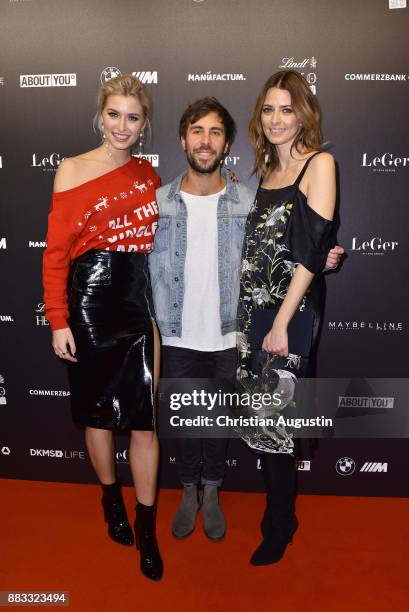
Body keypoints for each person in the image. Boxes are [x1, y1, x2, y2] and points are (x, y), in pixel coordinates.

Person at [149, 96, 342, 543]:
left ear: (227, 143)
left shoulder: (247, 198)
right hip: (177, 333)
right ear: (183, 139)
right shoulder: (159, 202)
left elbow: (287, 241)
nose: (205, 140)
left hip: (229, 333)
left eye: (215, 132)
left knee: (216, 420)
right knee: (185, 420)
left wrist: (325, 257)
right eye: (197, 130)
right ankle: (188, 492)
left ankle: (212, 493)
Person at [43, 74, 163, 581]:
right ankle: (111, 500)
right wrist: (58, 320)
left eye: (132, 118)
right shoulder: (72, 169)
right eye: (114, 114)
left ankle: (148, 527)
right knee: (98, 416)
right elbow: (55, 254)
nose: (122, 126)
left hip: (137, 302)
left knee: (145, 420)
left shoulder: (148, 176)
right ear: (101, 115)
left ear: (144, 124)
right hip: (90, 302)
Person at [237, 70, 337, 566]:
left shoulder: (319, 164)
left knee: (275, 422)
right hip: (254, 309)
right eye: (269, 109)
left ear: (303, 114)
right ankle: (282, 512)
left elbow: (309, 252)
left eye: (287, 109)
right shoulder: (266, 171)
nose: (276, 119)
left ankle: (278, 525)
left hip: (288, 314)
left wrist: (282, 322)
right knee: (261, 420)